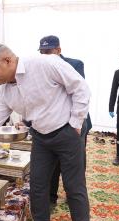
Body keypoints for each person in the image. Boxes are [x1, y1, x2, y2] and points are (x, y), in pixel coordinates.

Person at [0, 44, 91, 221]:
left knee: (74, 188)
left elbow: (80, 88)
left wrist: (76, 123)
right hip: (40, 138)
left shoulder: (43, 64)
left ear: (7, 60)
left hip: (67, 133)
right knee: (38, 188)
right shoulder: (4, 91)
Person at [38, 35, 92, 208]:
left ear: (59, 50)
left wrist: (75, 124)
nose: (45, 55)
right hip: (54, 123)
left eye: (48, 51)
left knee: (76, 163)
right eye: (42, 52)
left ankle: (73, 195)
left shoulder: (75, 64)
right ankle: (51, 196)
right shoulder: (39, 68)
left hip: (77, 122)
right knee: (53, 161)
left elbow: (78, 92)